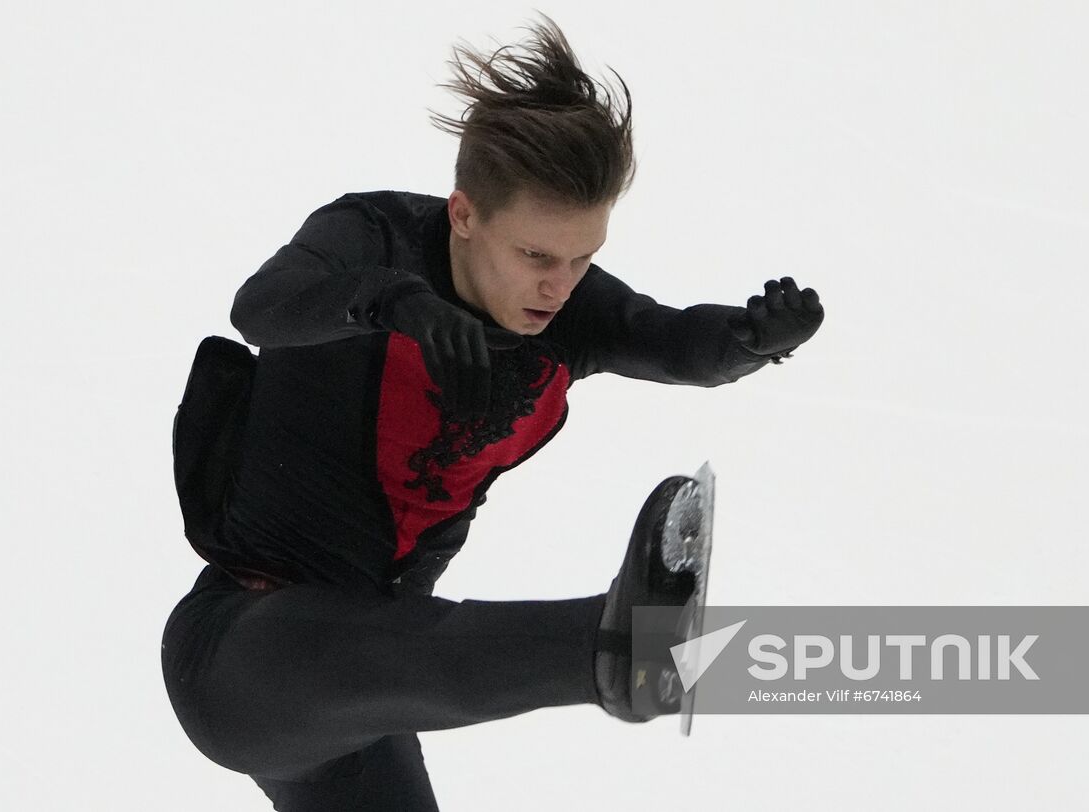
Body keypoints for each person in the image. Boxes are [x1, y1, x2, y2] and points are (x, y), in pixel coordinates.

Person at [161, 13, 823, 810]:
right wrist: (389, 302)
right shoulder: (372, 237)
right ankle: (611, 645)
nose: (560, 285)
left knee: (406, 643)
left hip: (366, 701)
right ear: (464, 213)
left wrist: (751, 339)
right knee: (419, 645)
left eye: (584, 257)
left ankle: (618, 645)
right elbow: (260, 310)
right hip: (247, 654)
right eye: (537, 256)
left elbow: (670, 341)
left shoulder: (564, 311)